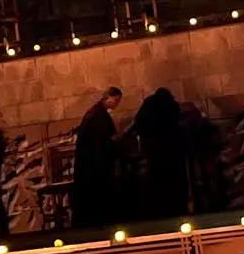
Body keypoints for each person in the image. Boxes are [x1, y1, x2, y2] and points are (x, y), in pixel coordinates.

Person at [130, 87, 189, 219]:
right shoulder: (171, 104)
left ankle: (161, 208)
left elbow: (138, 122)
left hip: (154, 150)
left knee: (158, 179)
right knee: (175, 179)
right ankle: (178, 206)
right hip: (172, 149)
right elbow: (178, 122)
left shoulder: (149, 104)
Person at [71, 87, 123, 227]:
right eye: (116, 100)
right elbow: (104, 141)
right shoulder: (99, 116)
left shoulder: (95, 113)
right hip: (95, 165)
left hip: (91, 163)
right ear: (110, 98)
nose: (117, 104)